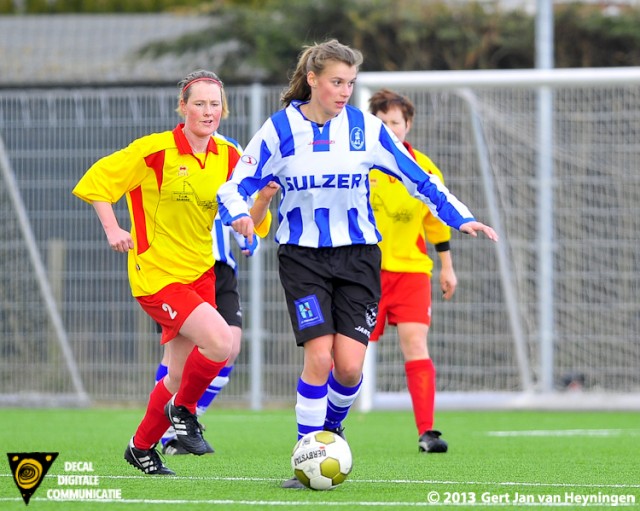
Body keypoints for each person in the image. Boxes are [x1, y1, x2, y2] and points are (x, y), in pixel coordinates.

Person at [216, 39, 498, 489]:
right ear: (312, 80)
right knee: (320, 357)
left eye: (350, 82)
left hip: (360, 256)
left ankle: (333, 428)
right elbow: (233, 185)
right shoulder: (279, 130)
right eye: (336, 82)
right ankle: (307, 450)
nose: (345, 91)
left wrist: (460, 218)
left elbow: (419, 178)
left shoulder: (367, 129)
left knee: (348, 367)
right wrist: (238, 216)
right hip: (302, 258)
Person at [72, 70, 271, 475]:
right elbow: (96, 181)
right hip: (157, 275)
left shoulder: (229, 156)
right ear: (182, 107)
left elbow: (252, 220)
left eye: (215, 104)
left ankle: (141, 447)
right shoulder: (156, 150)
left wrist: (260, 204)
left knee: (178, 373)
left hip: (200, 273)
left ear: (224, 110)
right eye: (199, 103)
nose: (207, 111)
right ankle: (184, 412)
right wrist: (113, 228)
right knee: (220, 343)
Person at [368, 88, 455, 454]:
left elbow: (437, 223)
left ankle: (428, 432)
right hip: (364, 273)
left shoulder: (425, 169)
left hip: (412, 273)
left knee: (416, 344)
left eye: (395, 122)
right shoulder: (360, 165)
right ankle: (328, 429)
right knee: (347, 355)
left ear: (408, 125)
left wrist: (447, 266)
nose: (390, 128)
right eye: (382, 122)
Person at [156, 218, 260, 455]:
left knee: (230, 347)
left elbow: (244, 215)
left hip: (221, 269)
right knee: (177, 359)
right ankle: (168, 434)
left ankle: (188, 421)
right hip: (181, 269)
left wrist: (250, 238)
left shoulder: (230, 181)